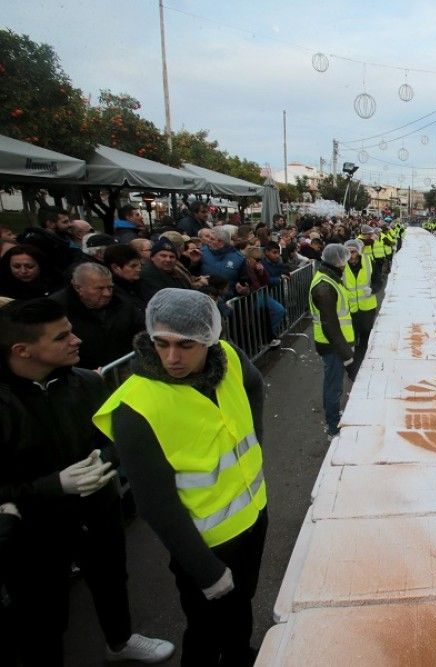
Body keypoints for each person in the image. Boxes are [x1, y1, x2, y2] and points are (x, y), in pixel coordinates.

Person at [92, 289, 264, 666]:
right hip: (205, 544)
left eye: (186, 344)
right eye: (161, 343)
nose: (172, 357)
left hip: (253, 518)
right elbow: (155, 504)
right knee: (204, 632)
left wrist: (256, 440)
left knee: (240, 611)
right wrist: (206, 570)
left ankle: (239, 654)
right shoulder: (135, 407)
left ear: (209, 339)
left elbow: (254, 386)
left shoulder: (228, 357)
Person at [0, 298, 174, 665]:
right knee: (43, 611)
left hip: (98, 509)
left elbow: (116, 438)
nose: (76, 340)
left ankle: (120, 640)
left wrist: (106, 460)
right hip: (35, 529)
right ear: (23, 350)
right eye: (62, 336)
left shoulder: (86, 382)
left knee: (111, 579)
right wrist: (51, 486)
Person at [50, 263, 144, 370]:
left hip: (120, 368)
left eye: (110, 287)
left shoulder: (121, 302)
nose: (107, 293)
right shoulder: (55, 309)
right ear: (78, 288)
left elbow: (141, 327)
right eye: (99, 289)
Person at [309, 244, 356, 436]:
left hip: (337, 342)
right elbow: (330, 325)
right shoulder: (324, 287)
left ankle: (334, 413)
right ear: (336, 261)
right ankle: (332, 424)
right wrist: (347, 356)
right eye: (344, 260)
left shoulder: (330, 278)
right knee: (333, 385)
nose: (346, 263)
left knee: (335, 383)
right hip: (332, 344)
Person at [342, 239, 379, 365]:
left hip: (367, 307)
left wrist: (372, 289)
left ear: (358, 251)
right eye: (348, 252)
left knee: (366, 334)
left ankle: (364, 359)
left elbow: (378, 281)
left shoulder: (369, 262)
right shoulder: (341, 265)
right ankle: (353, 362)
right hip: (349, 308)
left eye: (353, 252)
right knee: (351, 336)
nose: (351, 255)